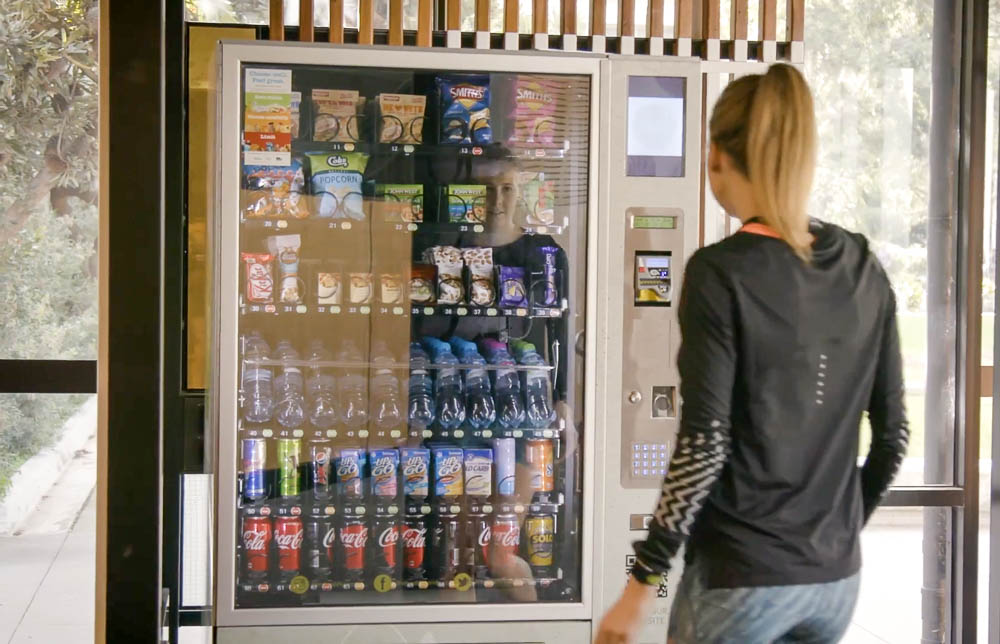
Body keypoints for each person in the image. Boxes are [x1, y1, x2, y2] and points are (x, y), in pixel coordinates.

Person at [595, 63, 910, 644]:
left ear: (716, 154)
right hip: (835, 582)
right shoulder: (864, 265)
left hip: (740, 577)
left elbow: (704, 444)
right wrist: (833, 538)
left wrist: (643, 584)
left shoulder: (720, 273)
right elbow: (893, 437)